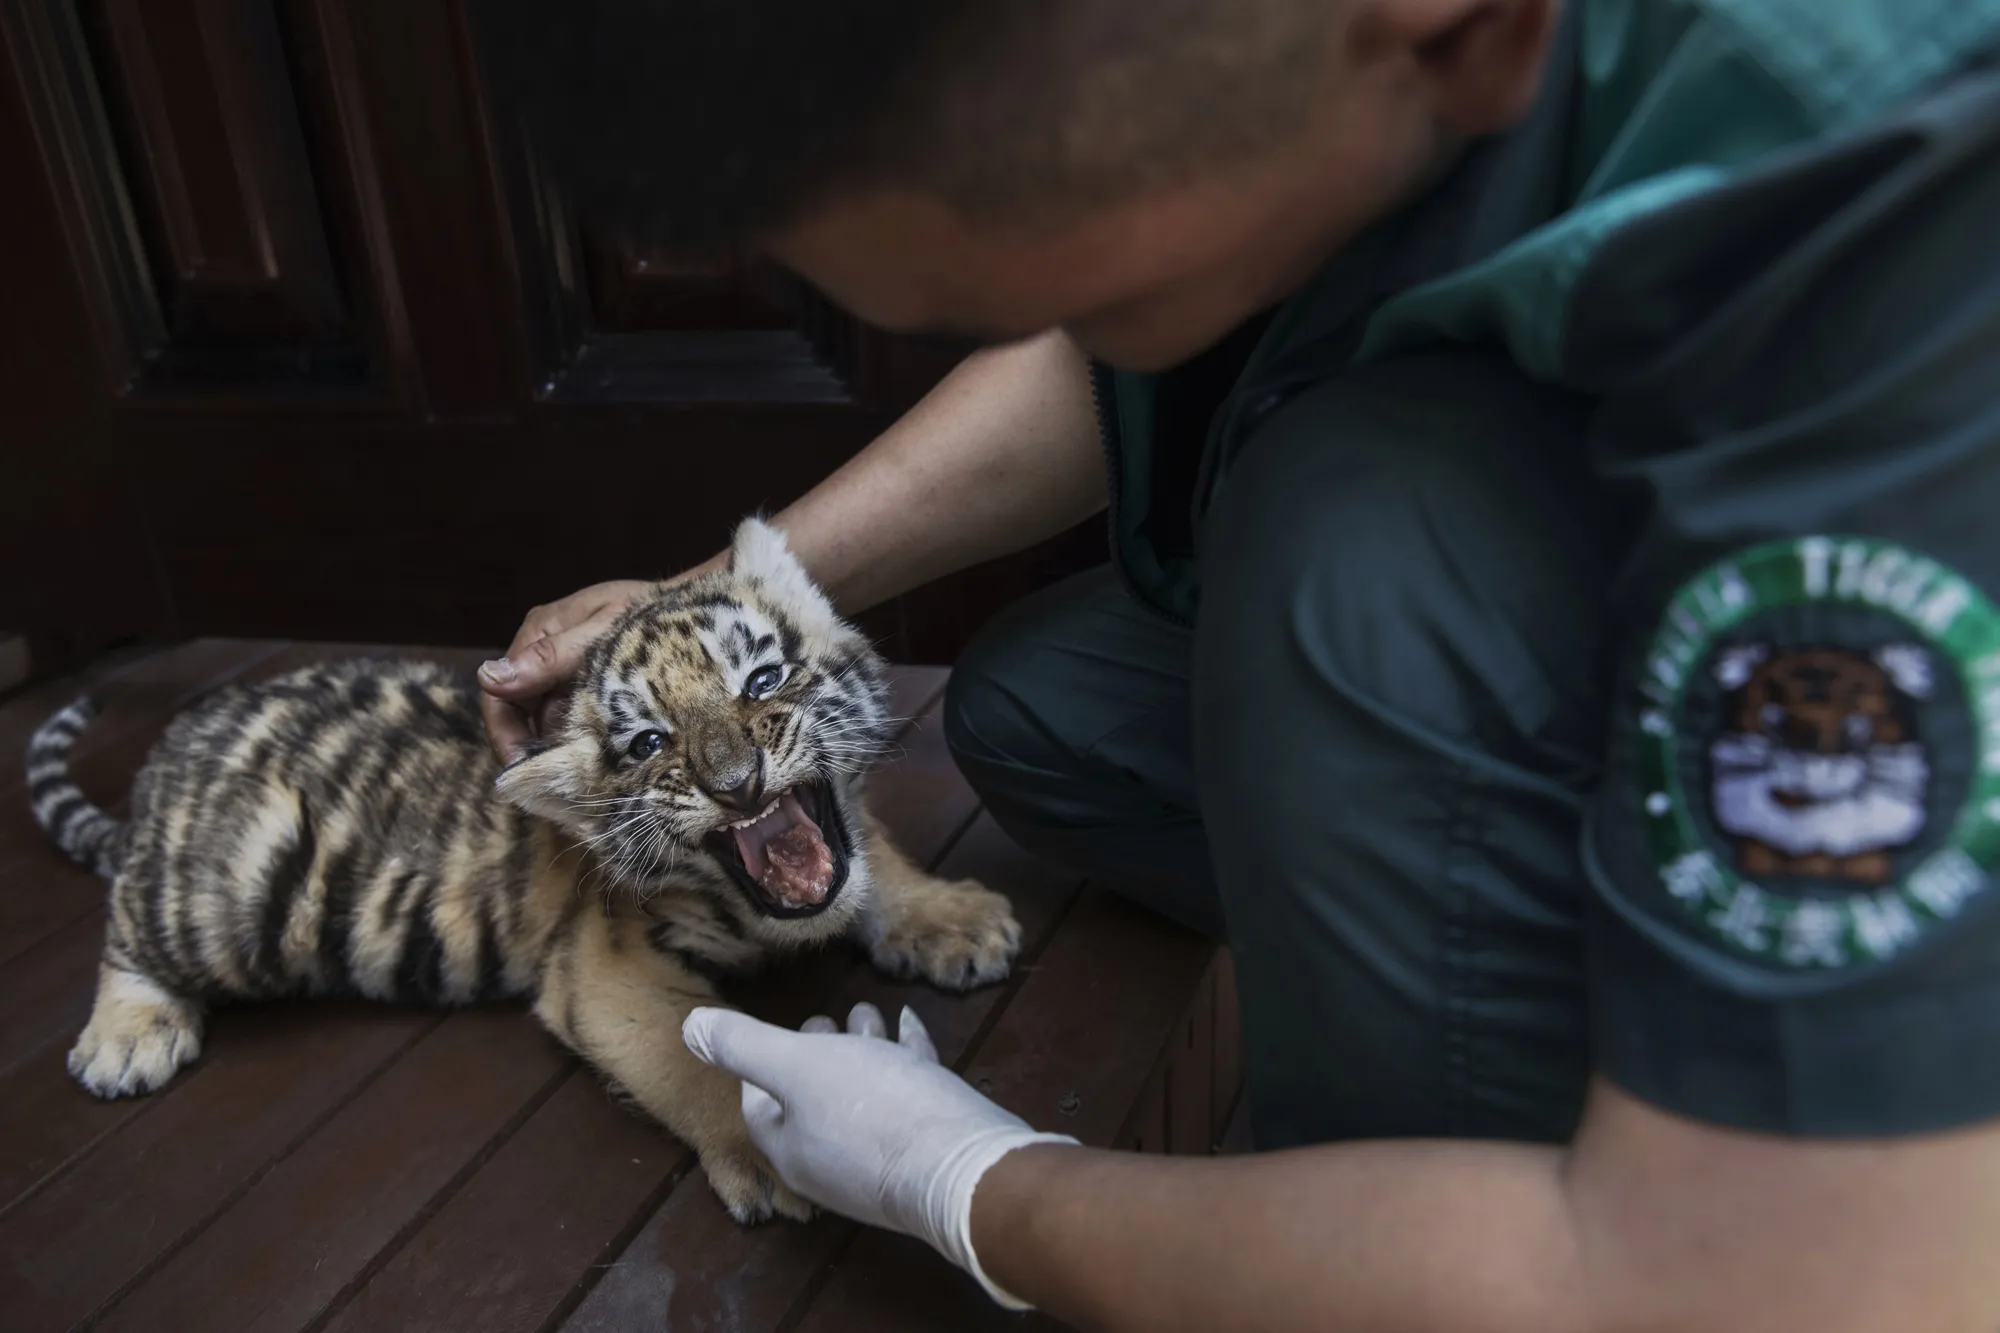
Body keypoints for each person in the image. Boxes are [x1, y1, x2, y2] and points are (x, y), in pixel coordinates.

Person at [476, 1, 2000, 1327]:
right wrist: (703, 601)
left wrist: (976, 1185)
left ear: (1453, 27)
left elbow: (1804, 1297)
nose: (1075, 340)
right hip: (1627, 626)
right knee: (1052, 710)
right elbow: (1103, 360)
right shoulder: (1294, 62)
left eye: (1104, 293)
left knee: (1357, 556)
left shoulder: (1895, 175)